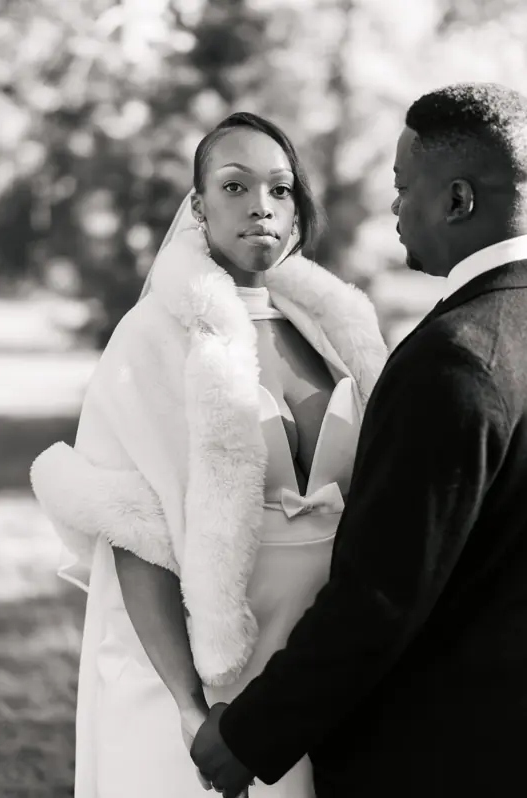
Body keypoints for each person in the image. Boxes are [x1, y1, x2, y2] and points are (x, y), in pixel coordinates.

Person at [30, 111, 387, 798]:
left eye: (280, 188)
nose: (262, 205)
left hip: (314, 658)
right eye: (234, 186)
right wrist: (191, 707)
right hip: (207, 658)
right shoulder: (154, 336)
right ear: (197, 205)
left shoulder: (333, 325)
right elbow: (133, 533)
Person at [190, 82, 527, 798]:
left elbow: (382, 594)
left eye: (406, 187)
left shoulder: (457, 357)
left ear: (457, 201)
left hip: (445, 753)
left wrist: (247, 737)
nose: (395, 207)